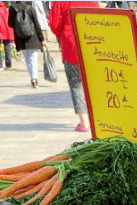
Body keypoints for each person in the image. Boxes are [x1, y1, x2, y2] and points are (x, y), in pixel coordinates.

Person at [48, 1, 98, 132]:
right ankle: (98, 119)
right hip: (92, 43)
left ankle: (84, 122)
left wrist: (61, 35)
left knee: (76, 84)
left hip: (71, 44)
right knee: (93, 84)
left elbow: (54, 23)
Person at [8, 1, 48, 88]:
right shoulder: (30, 8)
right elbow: (37, 25)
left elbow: (10, 24)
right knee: (33, 58)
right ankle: (34, 78)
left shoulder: (12, 8)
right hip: (32, 37)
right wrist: (42, 39)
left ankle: (32, 78)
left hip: (20, 38)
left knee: (27, 58)